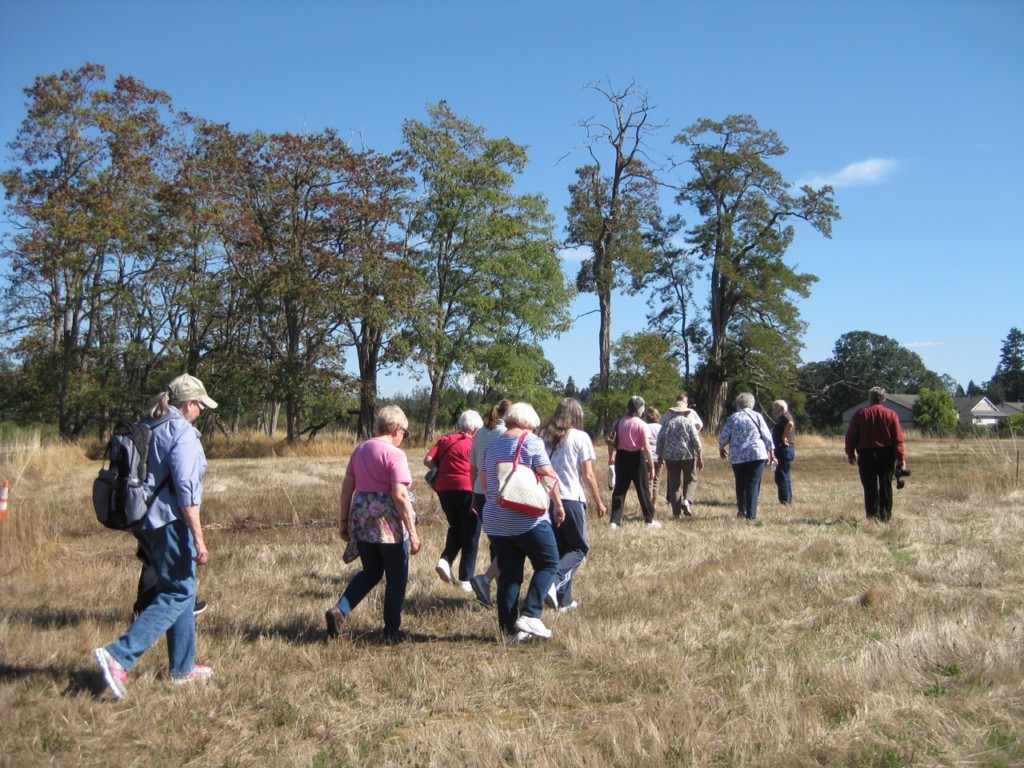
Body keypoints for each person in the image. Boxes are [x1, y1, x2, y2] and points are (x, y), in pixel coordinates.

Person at [93, 374, 217, 700]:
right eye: (200, 405)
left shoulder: (150, 425)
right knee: (178, 593)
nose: (201, 411)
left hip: (143, 523)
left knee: (180, 590)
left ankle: (182, 667)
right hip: (170, 524)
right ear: (189, 404)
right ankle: (119, 654)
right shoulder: (183, 433)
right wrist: (199, 539)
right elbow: (187, 493)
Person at [326, 405, 421, 642]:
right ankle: (391, 630)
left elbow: (347, 488)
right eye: (405, 434)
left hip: (361, 518)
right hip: (387, 523)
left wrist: (344, 522)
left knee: (371, 571)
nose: (404, 439)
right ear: (397, 429)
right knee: (397, 577)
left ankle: (340, 611)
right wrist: (413, 532)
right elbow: (399, 496)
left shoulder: (360, 450)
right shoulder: (395, 454)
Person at [480, 402, 564, 642]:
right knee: (549, 562)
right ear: (529, 423)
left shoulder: (492, 446)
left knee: (509, 574)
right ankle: (531, 613)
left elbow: (485, 485)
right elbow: (549, 476)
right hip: (527, 518)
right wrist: (558, 505)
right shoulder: (530, 442)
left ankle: (508, 633)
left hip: (496, 519)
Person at [541, 398, 606, 612]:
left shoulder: (543, 435)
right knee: (579, 548)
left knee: (561, 550)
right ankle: (552, 582)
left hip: (548, 498)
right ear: (577, 416)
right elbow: (587, 474)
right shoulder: (580, 437)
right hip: (571, 498)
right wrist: (598, 501)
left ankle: (564, 600)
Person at [424, 409, 483, 592]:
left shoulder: (445, 440)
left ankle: (445, 560)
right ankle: (465, 579)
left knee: (456, 528)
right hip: (467, 489)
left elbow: (427, 460)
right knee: (472, 533)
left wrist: (437, 470)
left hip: (444, 490)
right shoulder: (474, 444)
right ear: (474, 429)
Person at [467, 399, 510, 608]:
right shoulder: (506, 434)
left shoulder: (481, 433)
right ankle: (492, 584)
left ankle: (489, 588)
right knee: (506, 544)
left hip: (480, 492)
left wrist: (474, 494)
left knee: (495, 541)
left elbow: (473, 468)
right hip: (500, 494)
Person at [844, 386, 906, 522]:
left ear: (870, 398)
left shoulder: (860, 414)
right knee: (886, 486)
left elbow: (850, 436)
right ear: (883, 399)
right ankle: (885, 516)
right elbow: (898, 438)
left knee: (870, 487)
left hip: (866, 455)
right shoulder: (891, 414)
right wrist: (901, 458)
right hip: (886, 454)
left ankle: (872, 516)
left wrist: (850, 453)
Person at [718, 392, 775, 522]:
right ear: (751, 404)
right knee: (752, 483)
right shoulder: (757, 416)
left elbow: (724, 436)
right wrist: (771, 452)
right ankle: (751, 513)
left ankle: (741, 510)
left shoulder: (733, 417)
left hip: (738, 455)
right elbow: (766, 435)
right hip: (756, 453)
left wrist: (721, 447)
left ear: (738, 404)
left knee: (740, 482)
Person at [608, 396, 659, 528]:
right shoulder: (642, 424)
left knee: (619, 489)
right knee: (643, 490)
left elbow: (611, 441)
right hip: (637, 458)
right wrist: (652, 467)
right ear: (640, 409)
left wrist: (610, 457)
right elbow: (647, 447)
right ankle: (649, 519)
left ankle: (614, 521)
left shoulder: (619, 422)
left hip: (621, 457)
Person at [656, 405, 704, 518]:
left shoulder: (668, 423)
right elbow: (696, 440)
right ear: (685, 412)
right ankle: (687, 501)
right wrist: (700, 456)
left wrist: (659, 455)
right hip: (687, 456)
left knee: (674, 484)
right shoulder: (688, 423)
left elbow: (660, 439)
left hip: (670, 457)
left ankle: (676, 513)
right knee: (691, 479)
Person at [771, 400, 796, 505]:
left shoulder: (785, 416)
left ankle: (785, 500)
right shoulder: (784, 416)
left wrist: (784, 436)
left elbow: (790, 424)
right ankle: (787, 499)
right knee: (785, 475)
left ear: (780, 408)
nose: (773, 410)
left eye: (775, 408)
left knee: (781, 476)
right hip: (785, 450)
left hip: (784, 450)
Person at [643, 406, 663, 512]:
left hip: (647, 458)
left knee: (648, 481)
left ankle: (648, 504)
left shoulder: (645, 427)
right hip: (658, 457)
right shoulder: (661, 428)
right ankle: (654, 502)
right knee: (656, 481)